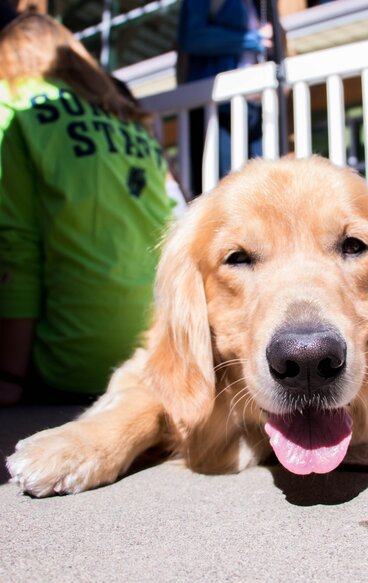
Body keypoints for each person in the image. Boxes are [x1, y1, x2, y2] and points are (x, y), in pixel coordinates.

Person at [0, 13, 175, 405]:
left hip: (66, 363)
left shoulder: (11, 109)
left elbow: (16, 248)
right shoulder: (130, 119)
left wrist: (8, 377)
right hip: (150, 349)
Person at [176, 0, 274, 196]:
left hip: (251, 106)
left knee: (260, 187)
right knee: (223, 187)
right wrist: (254, 39)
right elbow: (192, 37)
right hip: (219, 107)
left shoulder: (255, 5)